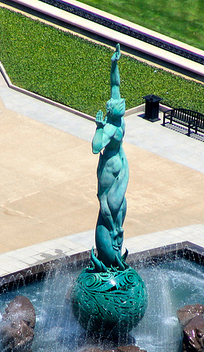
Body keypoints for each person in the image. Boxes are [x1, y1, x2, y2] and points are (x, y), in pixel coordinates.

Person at [91, 43, 128, 271]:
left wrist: (114, 64)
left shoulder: (115, 124)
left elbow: (96, 148)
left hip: (116, 168)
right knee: (111, 206)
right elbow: (96, 147)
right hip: (115, 168)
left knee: (117, 204)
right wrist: (98, 127)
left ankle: (115, 239)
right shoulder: (114, 125)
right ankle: (112, 244)